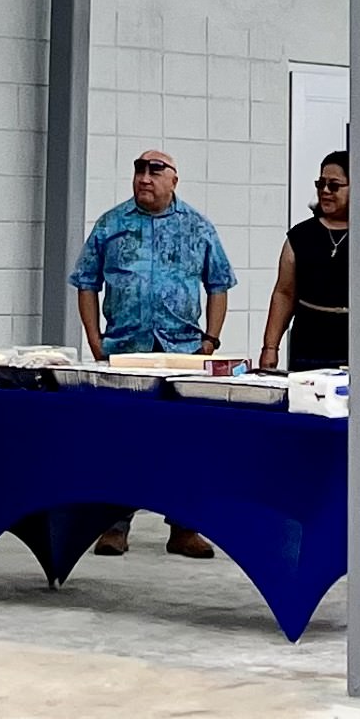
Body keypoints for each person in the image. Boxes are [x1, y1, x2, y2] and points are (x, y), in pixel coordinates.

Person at [69, 146, 235, 558]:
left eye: (155, 171)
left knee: (185, 441)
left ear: (173, 179)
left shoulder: (198, 227)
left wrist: (210, 340)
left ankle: (184, 528)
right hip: (125, 350)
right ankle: (113, 524)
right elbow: (86, 281)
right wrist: (94, 338)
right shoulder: (112, 224)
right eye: (139, 170)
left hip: (182, 353)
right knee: (120, 440)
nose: (145, 177)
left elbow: (219, 284)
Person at [256, 149, 360, 374]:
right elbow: (284, 293)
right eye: (320, 184)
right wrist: (270, 347)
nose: (325, 191)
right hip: (309, 347)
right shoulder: (300, 236)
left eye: (334, 185)